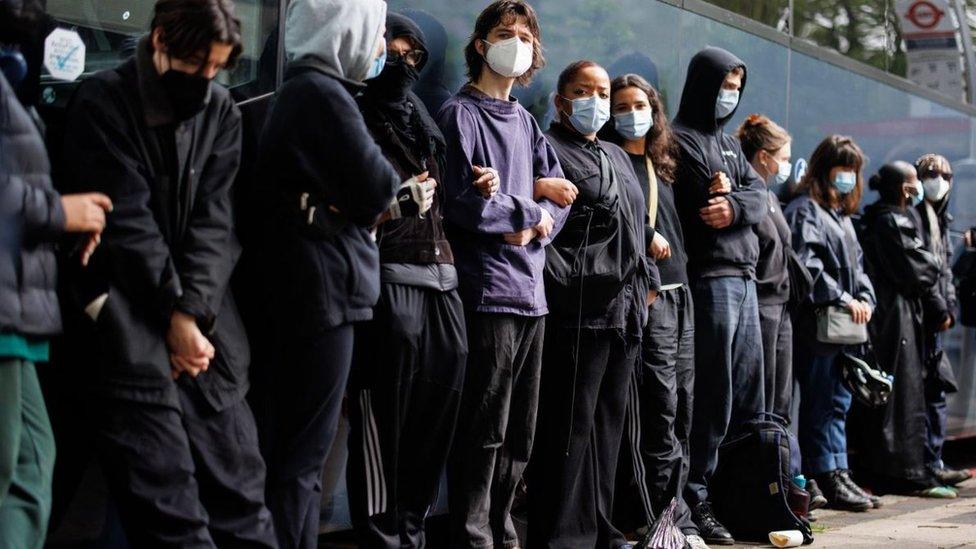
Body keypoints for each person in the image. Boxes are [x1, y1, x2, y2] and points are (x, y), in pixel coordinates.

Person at [59, 0, 278, 546]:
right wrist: (177, 315)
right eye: (196, 65)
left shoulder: (221, 110)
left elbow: (217, 223)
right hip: (129, 326)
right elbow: (126, 223)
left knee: (244, 497)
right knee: (169, 512)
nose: (206, 80)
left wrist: (190, 313)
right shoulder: (104, 101)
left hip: (205, 332)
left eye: (217, 69)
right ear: (159, 42)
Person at [256, 0, 421, 546]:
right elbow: (376, 185)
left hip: (307, 289)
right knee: (302, 458)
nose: (380, 50)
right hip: (324, 293)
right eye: (376, 34)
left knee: (293, 455)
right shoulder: (324, 93)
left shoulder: (303, 90)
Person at [436, 1, 570, 546]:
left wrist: (533, 217)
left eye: (523, 35)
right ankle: (473, 536)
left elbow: (561, 196)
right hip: (487, 292)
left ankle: (502, 530)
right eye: (502, 32)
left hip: (533, 294)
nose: (514, 42)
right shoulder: (459, 115)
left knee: (521, 432)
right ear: (479, 43)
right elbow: (460, 202)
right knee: (484, 428)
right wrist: (527, 209)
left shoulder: (530, 123)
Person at [346, 13, 468, 549]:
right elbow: (341, 203)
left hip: (443, 277)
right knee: (383, 417)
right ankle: (381, 537)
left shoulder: (423, 118)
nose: (401, 62)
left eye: (412, 54)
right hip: (387, 273)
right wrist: (395, 202)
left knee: (437, 412)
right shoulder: (351, 110)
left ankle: (413, 529)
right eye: (390, 50)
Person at [527, 60, 656, 549]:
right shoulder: (548, 147)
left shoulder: (615, 154)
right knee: (568, 429)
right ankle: (561, 535)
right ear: (561, 100)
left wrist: (645, 281)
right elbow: (548, 234)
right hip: (579, 311)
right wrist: (567, 282)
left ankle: (600, 529)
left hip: (623, 315)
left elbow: (630, 226)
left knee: (607, 429)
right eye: (584, 91)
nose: (596, 101)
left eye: (602, 92)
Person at [0, 1, 113, 545]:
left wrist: (64, 216)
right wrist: (57, 213)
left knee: (31, 462)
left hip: (18, 305)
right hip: (6, 305)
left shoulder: (13, 77)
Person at [602, 73, 704, 548]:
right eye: (620, 105)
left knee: (682, 411)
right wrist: (645, 246)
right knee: (659, 414)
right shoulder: (611, 158)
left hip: (682, 296)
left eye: (638, 103)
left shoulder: (663, 161)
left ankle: (676, 518)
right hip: (652, 296)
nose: (630, 112)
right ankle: (660, 522)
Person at [671, 46, 768, 545]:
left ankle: (737, 495)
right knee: (712, 396)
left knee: (748, 396)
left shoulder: (729, 144)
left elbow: (761, 196)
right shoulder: (680, 139)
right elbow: (701, 202)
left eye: (736, 86)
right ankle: (695, 499)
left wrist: (735, 203)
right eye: (723, 84)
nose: (729, 95)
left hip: (746, 280)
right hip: (710, 280)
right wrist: (731, 202)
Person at [783, 135, 877, 512]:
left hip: (843, 327)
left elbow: (859, 268)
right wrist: (843, 298)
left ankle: (838, 469)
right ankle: (823, 474)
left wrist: (865, 298)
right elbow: (809, 267)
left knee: (838, 401)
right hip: (820, 325)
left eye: (853, 172)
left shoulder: (840, 215)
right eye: (843, 170)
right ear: (825, 170)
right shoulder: (806, 210)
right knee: (821, 404)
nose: (849, 179)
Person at [856, 162, 956, 498]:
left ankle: (902, 469)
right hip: (896, 319)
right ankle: (905, 472)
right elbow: (923, 268)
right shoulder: (893, 221)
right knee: (902, 396)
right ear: (904, 189)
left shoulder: (878, 218)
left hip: (893, 316)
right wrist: (933, 261)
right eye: (913, 183)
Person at [913, 154, 972, 487]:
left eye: (946, 175)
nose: (941, 180)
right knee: (921, 394)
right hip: (921, 319)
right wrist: (938, 308)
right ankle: (925, 463)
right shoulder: (914, 217)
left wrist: (948, 308)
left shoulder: (942, 219)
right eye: (933, 174)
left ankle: (934, 460)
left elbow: (945, 273)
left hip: (938, 320)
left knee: (935, 392)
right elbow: (922, 273)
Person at [735, 115, 794, 419]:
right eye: (784, 159)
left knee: (780, 396)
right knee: (762, 393)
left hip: (781, 307)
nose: (787, 166)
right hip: (761, 306)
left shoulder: (770, 196)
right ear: (763, 157)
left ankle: (781, 461)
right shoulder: (747, 193)